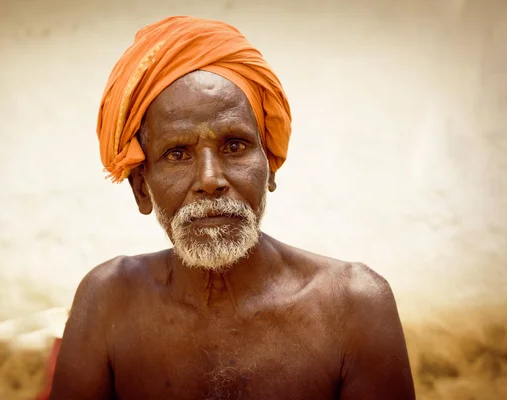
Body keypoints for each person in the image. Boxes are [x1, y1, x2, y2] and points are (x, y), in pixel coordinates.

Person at [48, 16, 415, 400]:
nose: (210, 179)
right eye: (177, 153)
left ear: (270, 165)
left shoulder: (354, 309)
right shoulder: (107, 304)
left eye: (235, 146)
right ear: (142, 189)